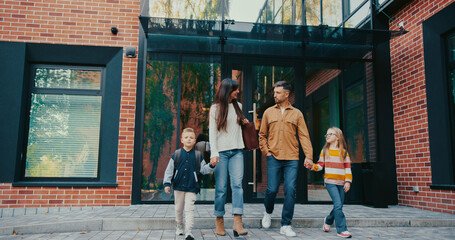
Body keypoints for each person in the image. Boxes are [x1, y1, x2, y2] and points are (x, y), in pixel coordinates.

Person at [258, 81, 313, 237]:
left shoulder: (297, 114)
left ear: (287, 94)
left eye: (277, 92)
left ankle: (286, 224)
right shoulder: (268, 112)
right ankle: (268, 212)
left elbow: (304, 136)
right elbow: (262, 135)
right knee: (272, 189)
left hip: (291, 158)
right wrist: (266, 152)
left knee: (290, 190)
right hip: (273, 156)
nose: (274, 95)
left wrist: (308, 156)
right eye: (274, 92)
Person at [209, 78, 249, 237]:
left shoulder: (238, 106)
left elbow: (238, 128)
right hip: (221, 153)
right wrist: (214, 153)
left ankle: (238, 223)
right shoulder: (215, 109)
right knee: (221, 188)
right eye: (235, 89)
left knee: (237, 185)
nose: (238, 92)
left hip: (237, 151)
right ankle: (219, 220)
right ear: (227, 90)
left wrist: (245, 122)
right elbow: (212, 133)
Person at [163, 128, 216, 240]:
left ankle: (189, 232)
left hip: (192, 186)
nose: (188, 139)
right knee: (178, 209)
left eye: (191, 138)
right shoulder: (176, 154)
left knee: (189, 209)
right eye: (186, 137)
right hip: (178, 187)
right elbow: (169, 170)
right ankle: (179, 225)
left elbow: (203, 170)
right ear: (182, 140)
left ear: (194, 141)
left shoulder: (198, 155)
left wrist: (211, 166)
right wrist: (167, 183)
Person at [304, 127, 353, 238]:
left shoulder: (344, 152)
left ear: (338, 137)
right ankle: (342, 230)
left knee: (338, 205)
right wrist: (312, 166)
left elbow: (348, 168)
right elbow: (320, 166)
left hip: (341, 182)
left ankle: (328, 220)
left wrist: (348, 181)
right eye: (326, 134)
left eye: (330, 134)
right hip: (330, 182)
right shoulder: (325, 151)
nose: (327, 136)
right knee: (338, 205)